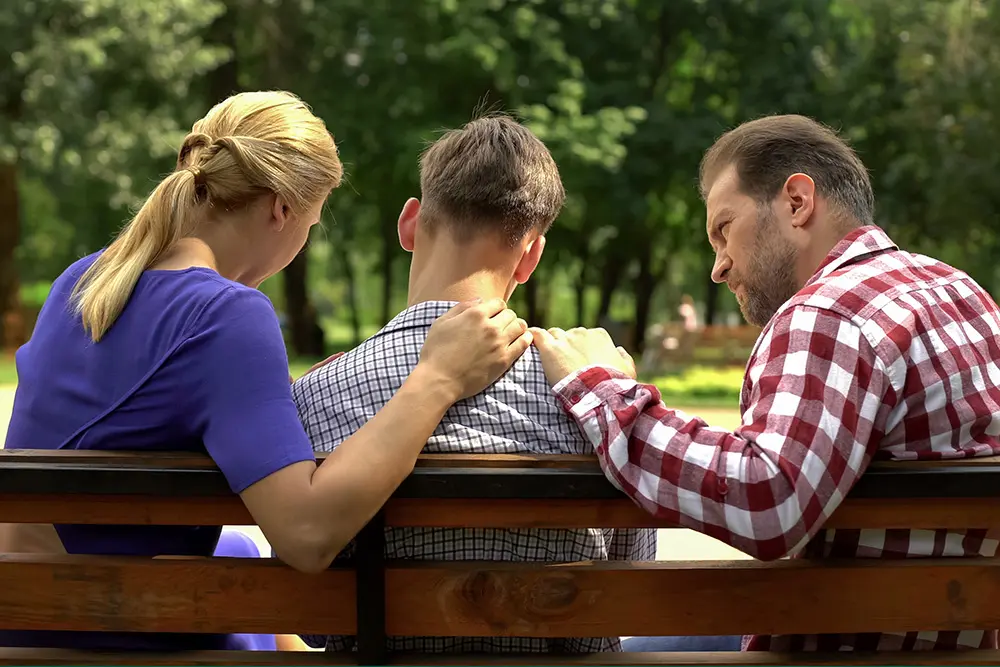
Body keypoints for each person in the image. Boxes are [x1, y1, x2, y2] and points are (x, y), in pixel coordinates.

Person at [2, 91, 532, 652]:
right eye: (312, 221)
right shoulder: (227, 313)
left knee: (242, 554)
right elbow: (307, 536)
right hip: (105, 633)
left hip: (27, 607)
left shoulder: (84, 281)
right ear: (281, 209)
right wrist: (438, 377)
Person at [530, 114, 1000, 653]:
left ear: (797, 202)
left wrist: (602, 388)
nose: (718, 267)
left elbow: (769, 497)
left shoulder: (831, 312)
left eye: (723, 230)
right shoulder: (963, 293)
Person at [291, 114, 656, 654]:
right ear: (531, 255)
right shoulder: (593, 397)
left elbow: (315, 622)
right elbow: (629, 591)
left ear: (409, 223)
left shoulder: (317, 394)